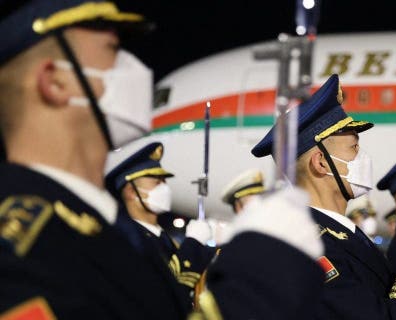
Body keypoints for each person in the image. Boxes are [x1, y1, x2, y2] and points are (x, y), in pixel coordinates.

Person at [0, 1, 324, 319]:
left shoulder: (105, 227)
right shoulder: (18, 248)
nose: (135, 70)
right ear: (55, 82)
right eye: (113, 51)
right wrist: (257, 286)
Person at [251, 74, 396, 319]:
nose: (363, 158)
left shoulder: (345, 235)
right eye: (353, 148)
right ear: (321, 163)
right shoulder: (306, 247)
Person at [105, 141, 215, 306]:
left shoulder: (166, 239)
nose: (164, 188)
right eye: (157, 183)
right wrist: (193, 244)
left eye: (164, 182)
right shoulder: (125, 240)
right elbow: (161, 292)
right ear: (131, 192)